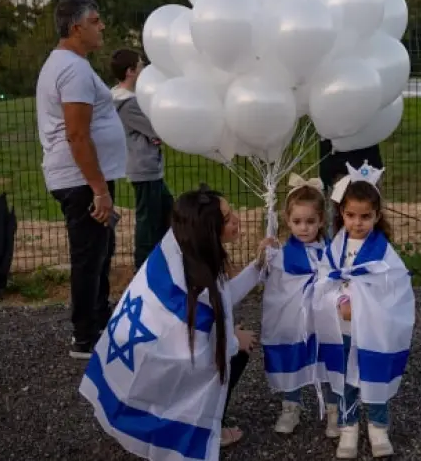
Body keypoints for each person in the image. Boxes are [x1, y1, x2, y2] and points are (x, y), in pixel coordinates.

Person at [79, 186, 273, 460]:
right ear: (208, 230)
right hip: (157, 368)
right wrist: (230, 341)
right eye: (227, 218)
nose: (237, 220)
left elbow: (218, 301)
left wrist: (258, 266)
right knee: (237, 354)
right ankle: (206, 428)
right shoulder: (198, 281)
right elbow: (197, 344)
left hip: (136, 360)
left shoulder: (179, 250)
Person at [35, 0, 127, 359]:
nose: (101, 26)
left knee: (100, 253)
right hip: (81, 180)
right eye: (95, 20)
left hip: (85, 179)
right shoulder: (72, 70)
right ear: (76, 28)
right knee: (89, 257)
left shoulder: (71, 64)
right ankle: (85, 337)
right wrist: (99, 189)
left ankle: (99, 322)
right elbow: (76, 134)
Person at [312, 162, 414, 459]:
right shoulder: (335, 247)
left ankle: (378, 427)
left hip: (372, 329)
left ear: (377, 216)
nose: (357, 223)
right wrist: (340, 302)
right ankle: (348, 427)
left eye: (365, 216)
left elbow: (394, 287)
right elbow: (324, 280)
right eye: (351, 215)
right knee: (345, 379)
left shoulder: (384, 252)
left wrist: (363, 304)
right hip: (343, 327)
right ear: (341, 213)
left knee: (374, 372)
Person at [259, 173, 339, 437]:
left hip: (324, 320)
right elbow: (275, 289)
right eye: (297, 222)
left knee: (329, 359)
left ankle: (334, 409)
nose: (304, 228)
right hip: (294, 321)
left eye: (310, 222)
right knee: (292, 356)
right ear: (287, 220)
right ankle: (291, 406)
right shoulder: (282, 256)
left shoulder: (332, 252)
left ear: (321, 220)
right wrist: (266, 256)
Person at [109, 49, 175, 271]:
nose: (143, 69)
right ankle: (143, 268)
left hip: (148, 168)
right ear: (130, 72)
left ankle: (163, 261)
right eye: (140, 65)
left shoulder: (123, 99)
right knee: (148, 223)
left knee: (167, 213)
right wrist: (156, 134)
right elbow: (156, 128)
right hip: (144, 169)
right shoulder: (129, 104)